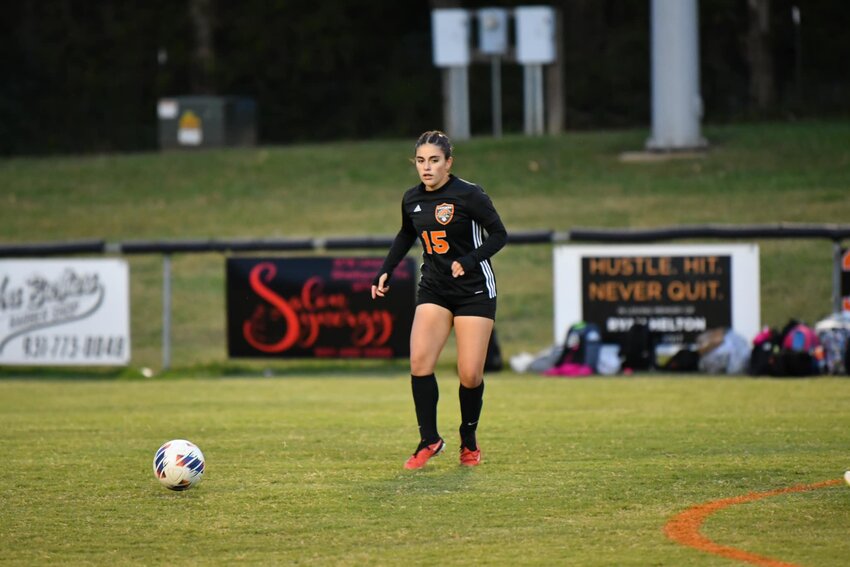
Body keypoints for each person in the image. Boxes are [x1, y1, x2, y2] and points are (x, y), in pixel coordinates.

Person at [371, 130, 508, 469]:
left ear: (449, 162)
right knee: (419, 362)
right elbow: (406, 233)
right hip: (434, 288)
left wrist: (471, 260)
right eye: (420, 161)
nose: (426, 168)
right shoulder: (411, 198)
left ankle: (469, 440)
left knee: (469, 374)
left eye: (434, 160)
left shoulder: (469, 195)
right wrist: (386, 269)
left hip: (474, 290)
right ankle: (429, 439)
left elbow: (500, 234)